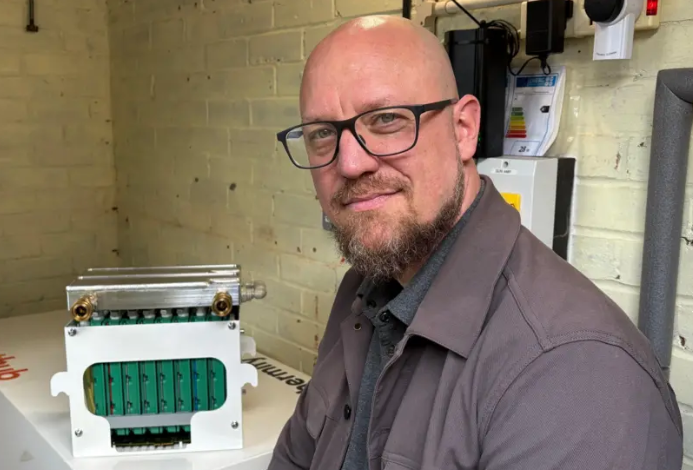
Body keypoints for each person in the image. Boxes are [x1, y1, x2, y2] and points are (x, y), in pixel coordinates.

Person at [268, 14, 683, 470]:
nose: (350, 164)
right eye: (322, 133)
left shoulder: (574, 372)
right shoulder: (364, 291)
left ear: (463, 129)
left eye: (386, 120)